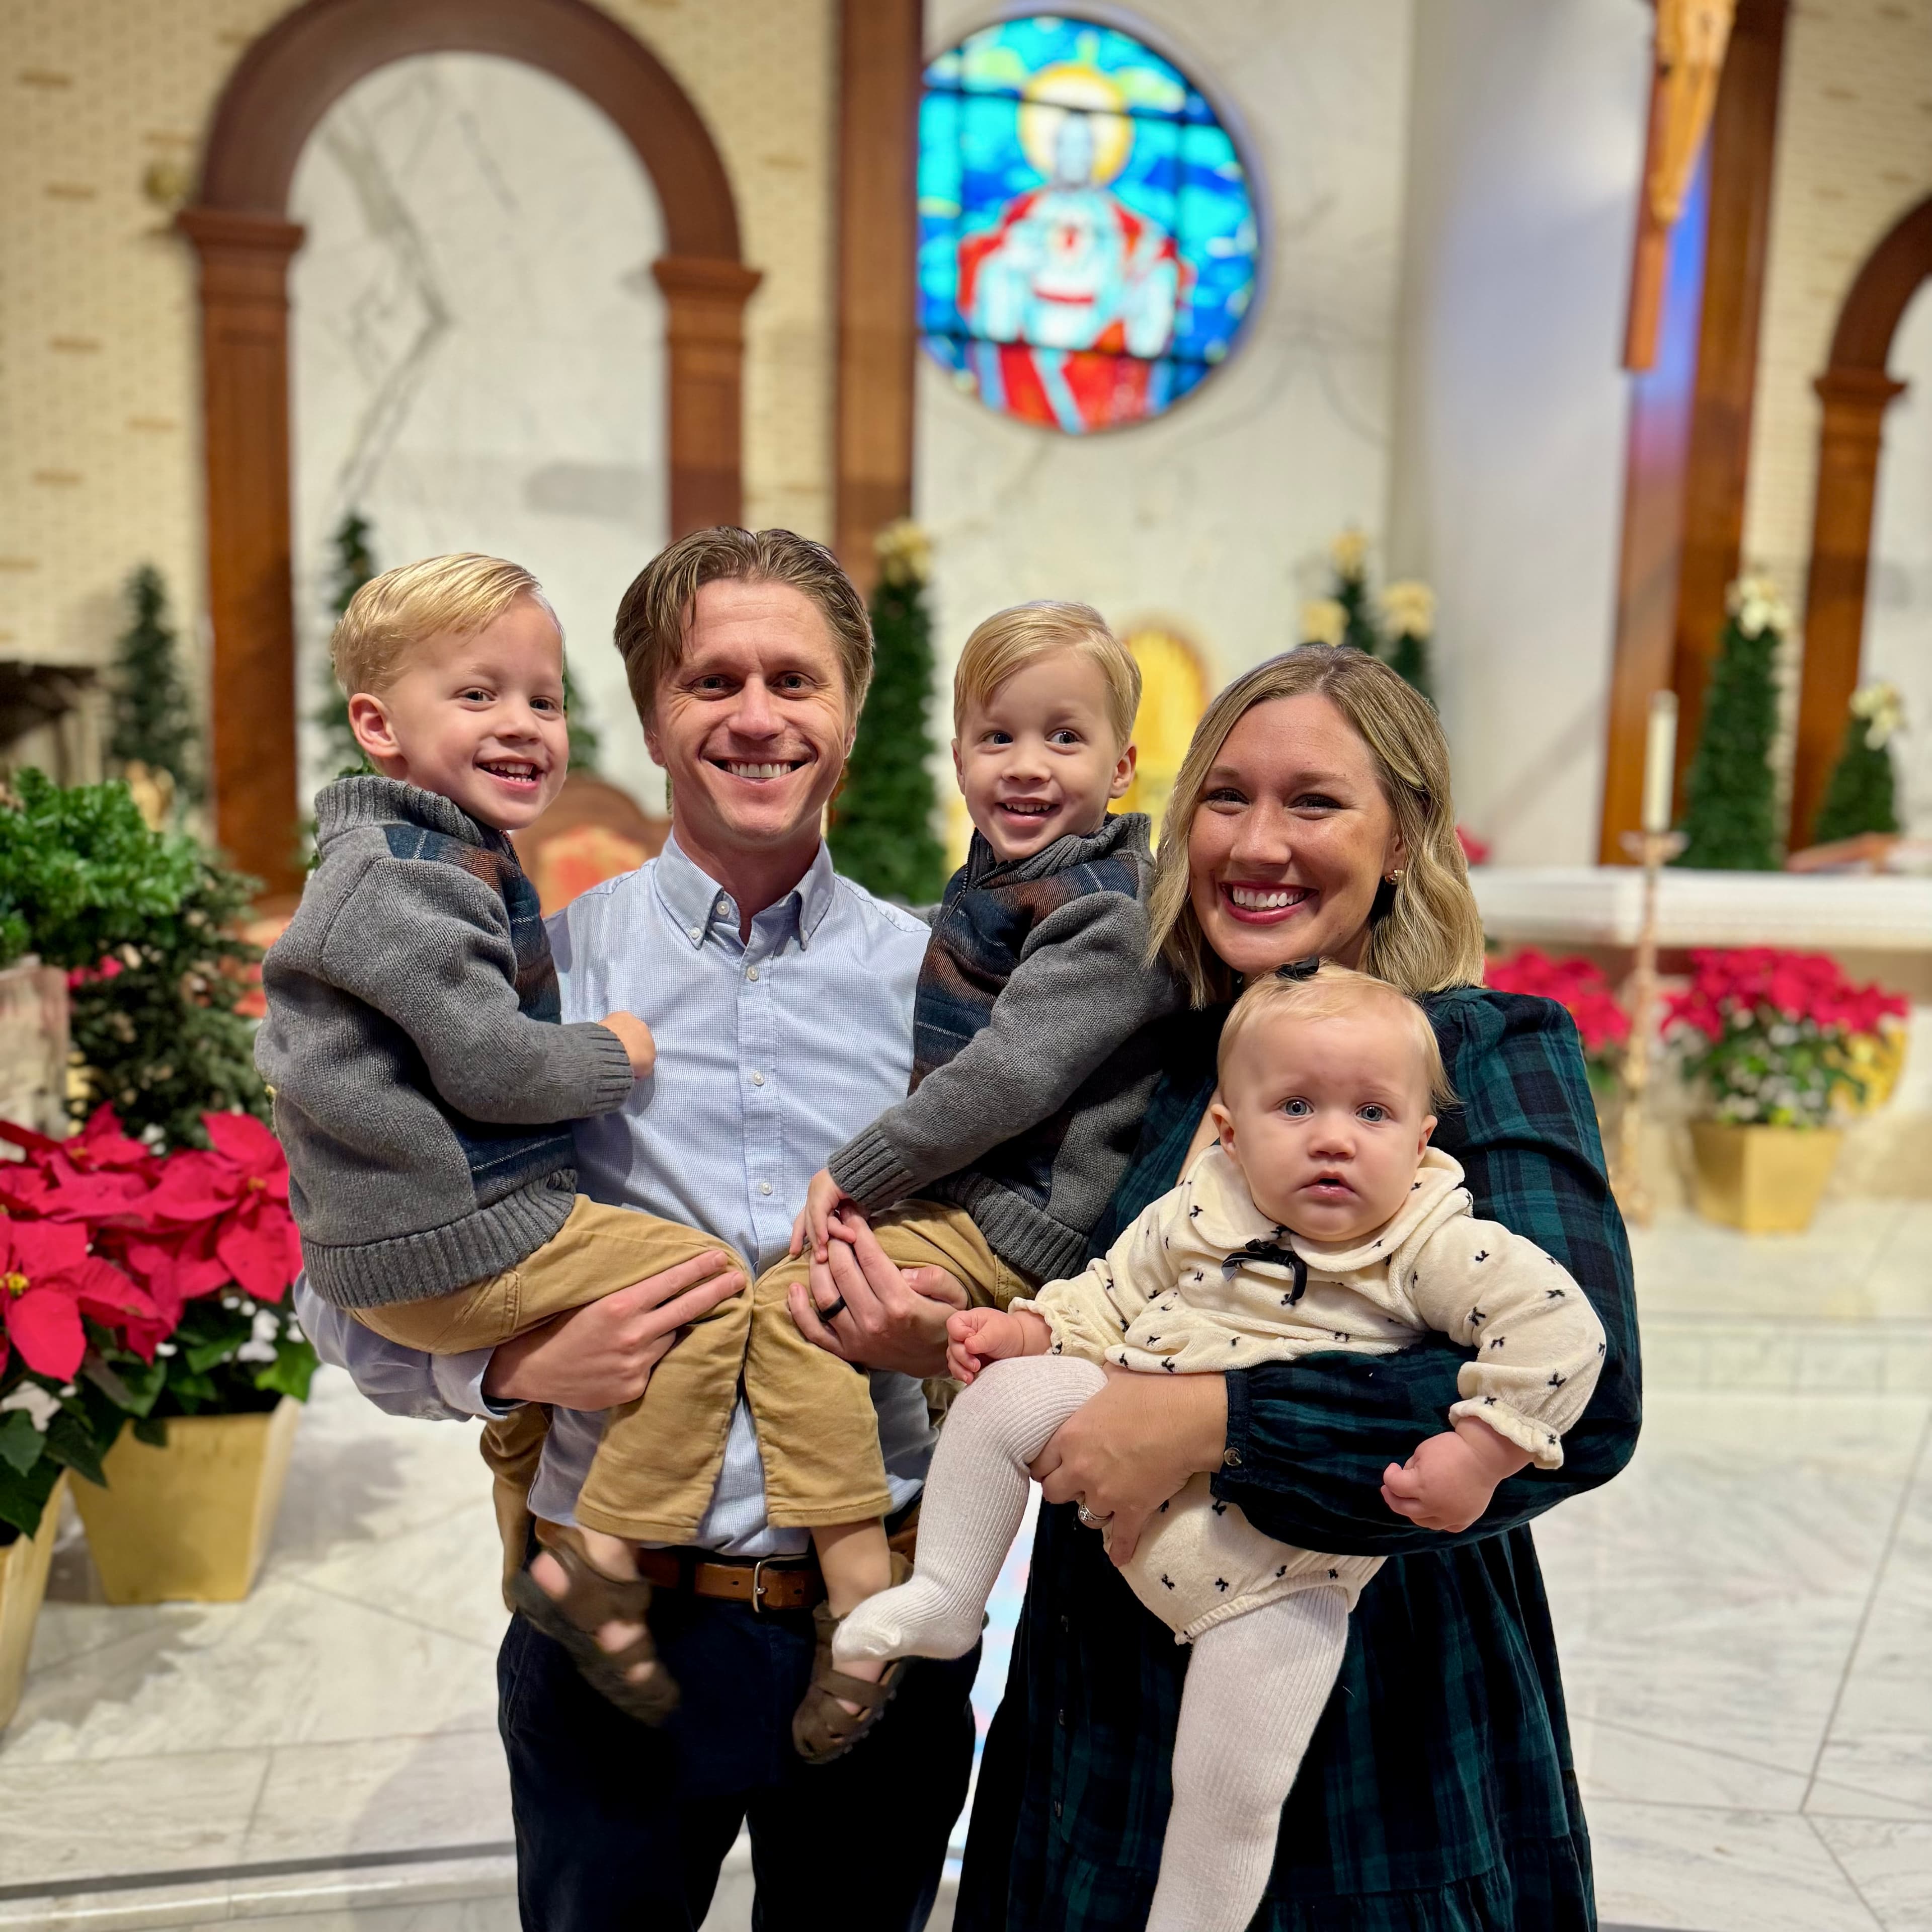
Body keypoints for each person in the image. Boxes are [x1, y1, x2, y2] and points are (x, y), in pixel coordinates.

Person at [295, 527, 980, 1932]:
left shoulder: (943, 990)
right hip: (619, 1626)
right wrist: (511, 1370)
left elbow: (1053, 1270)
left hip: (883, 1606)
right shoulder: (533, 969)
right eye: (711, 678)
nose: (756, 716)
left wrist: (945, 1337)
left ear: (850, 707)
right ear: (653, 713)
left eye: (797, 678)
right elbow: (342, 1268)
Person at [952, 644, 1642, 1930]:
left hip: (1378, 1697)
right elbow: (1082, 1295)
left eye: (1314, 802)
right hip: (1101, 1686)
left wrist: (1212, 1421)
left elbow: (1592, 1408)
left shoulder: (1489, 1055)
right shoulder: (1153, 1058)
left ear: (1404, 837)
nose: (1257, 844)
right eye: (1225, 798)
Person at [839, 963, 1605, 1932]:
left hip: (1284, 1573)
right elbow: (1109, 1292)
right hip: (1116, 1543)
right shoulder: (1202, 1205)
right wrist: (1032, 1335)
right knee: (1009, 1397)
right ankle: (949, 1597)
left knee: (1234, 1787)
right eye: (1296, 1107)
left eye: (1373, 1114)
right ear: (1234, 1135)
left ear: (1423, 1140)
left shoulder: (1433, 1245)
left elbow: (1563, 1336)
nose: (1333, 1137)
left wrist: (1486, 1449)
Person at [748, 597, 1176, 1757]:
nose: (1027, 767)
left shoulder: (1104, 911)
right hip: (977, 1201)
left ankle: (869, 1608)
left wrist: (860, 1168)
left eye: (1064, 737)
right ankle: (912, 1573)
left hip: (1025, 1217)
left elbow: (1008, 1075)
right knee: (913, 1374)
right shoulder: (994, 884)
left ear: (1125, 765)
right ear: (957, 754)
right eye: (998, 737)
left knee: (797, 1307)